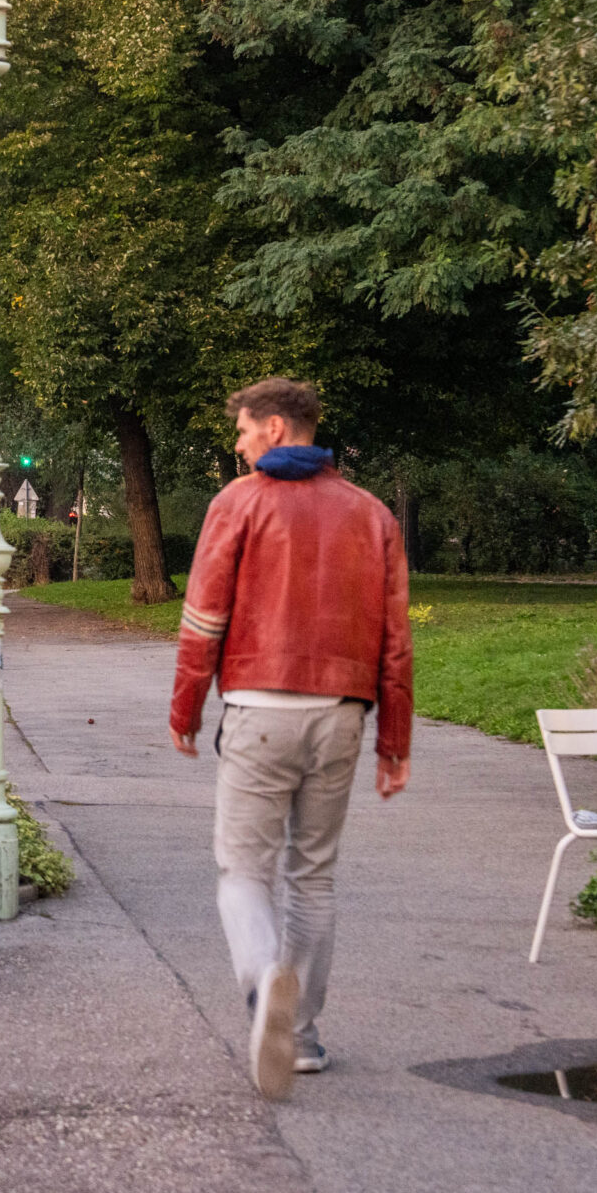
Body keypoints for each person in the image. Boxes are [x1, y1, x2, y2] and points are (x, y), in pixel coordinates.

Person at [171, 377, 411, 1102]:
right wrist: (393, 742)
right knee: (313, 873)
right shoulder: (371, 515)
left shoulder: (238, 504)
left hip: (257, 706)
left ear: (275, 427)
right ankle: (301, 1033)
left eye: (244, 430)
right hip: (342, 712)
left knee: (243, 868)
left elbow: (204, 618)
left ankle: (261, 981)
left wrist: (185, 707)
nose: (238, 443)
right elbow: (394, 642)